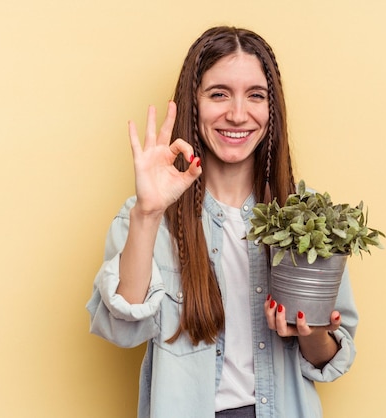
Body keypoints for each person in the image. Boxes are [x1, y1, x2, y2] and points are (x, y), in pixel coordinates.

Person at [86, 26, 358, 418]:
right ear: (192, 104)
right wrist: (148, 213)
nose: (237, 114)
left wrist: (312, 331)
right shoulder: (150, 216)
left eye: (255, 96)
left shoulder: (307, 218)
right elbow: (121, 330)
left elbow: (330, 358)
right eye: (218, 94)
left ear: (271, 109)